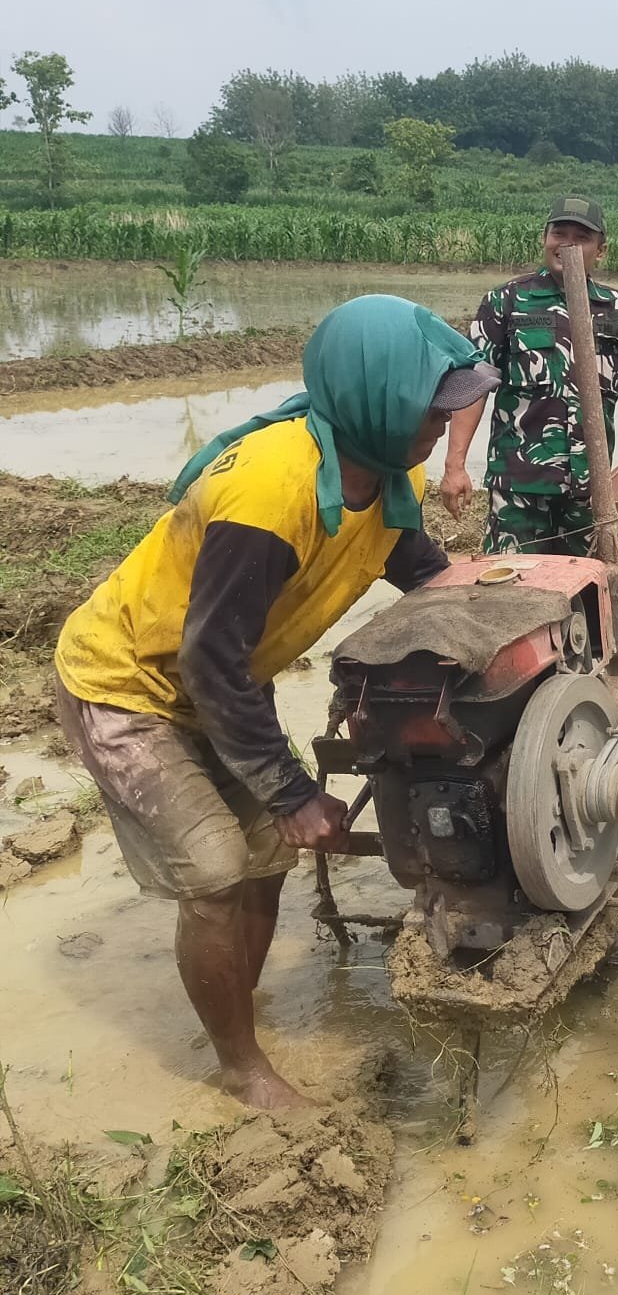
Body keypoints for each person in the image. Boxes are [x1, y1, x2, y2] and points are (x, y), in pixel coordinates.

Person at [53, 295, 500, 1110]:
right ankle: (241, 1069)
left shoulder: (388, 469)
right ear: (376, 399)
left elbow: (423, 575)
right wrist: (292, 791)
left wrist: (513, 601)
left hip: (222, 688)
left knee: (267, 862)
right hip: (132, 690)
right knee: (219, 873)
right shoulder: (271, 492)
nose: (445, 426)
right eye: (431, 410)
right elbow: (210, 659)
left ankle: (234, 1013)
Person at [439, 196, 618, 554]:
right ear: (544, 239)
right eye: (558, 233)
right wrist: (454, 466)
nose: (567, 243)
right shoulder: (505, 302)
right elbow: (472, 387)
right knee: (513, 590)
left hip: (591, 492)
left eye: (581, 237)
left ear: (601, 250)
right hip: (520, 488)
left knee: (589, 591)